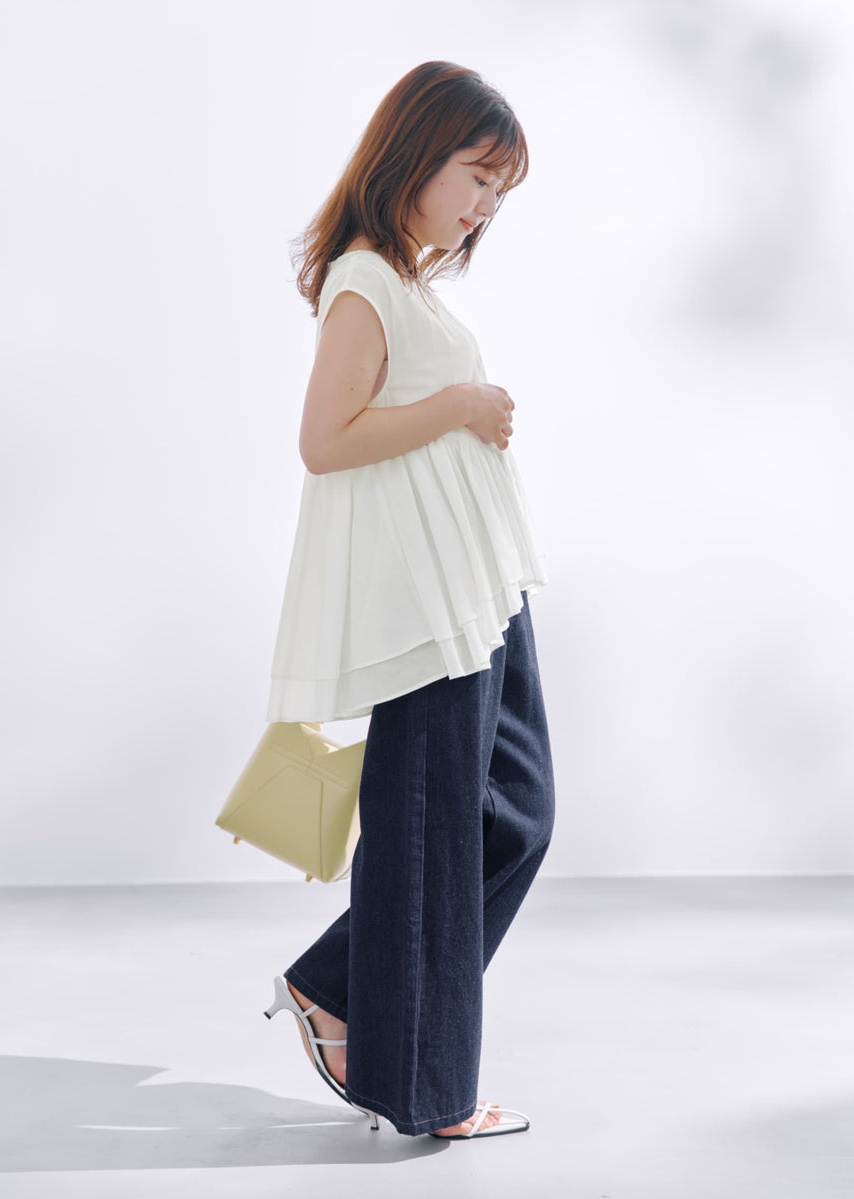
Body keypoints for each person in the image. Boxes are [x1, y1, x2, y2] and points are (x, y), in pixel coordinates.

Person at [261, 60, 556, 1140]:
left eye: (498, 191)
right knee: (430, 838)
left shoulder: (407, 283)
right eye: (478, 177)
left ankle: (338, 985)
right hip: (429, 608)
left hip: (479, 590)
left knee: (518, 810)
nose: (485, 207)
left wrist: (465, 410)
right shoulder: (365, 279)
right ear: (416, 154)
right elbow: (324, 440)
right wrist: (462, 404)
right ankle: (425, 1090)